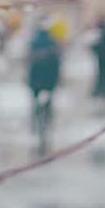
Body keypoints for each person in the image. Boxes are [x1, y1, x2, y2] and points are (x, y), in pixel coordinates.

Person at [27, 24, 62, 154]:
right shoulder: (53, 44)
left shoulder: (33, 43)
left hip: (35, 81)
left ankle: (35, 126)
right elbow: (57, 64)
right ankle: (46, 125)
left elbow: (30, 63)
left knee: (35, 104)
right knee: (47, 105)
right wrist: (55, 80)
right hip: (48, 82)